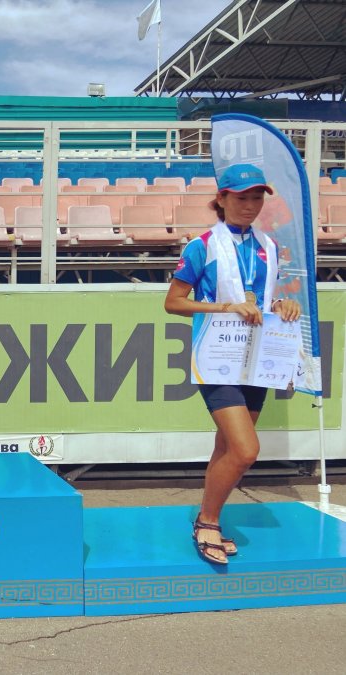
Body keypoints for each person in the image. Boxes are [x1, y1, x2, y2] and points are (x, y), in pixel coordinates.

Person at [164, 163, 301, 564]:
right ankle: (206, 521)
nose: (251, 205)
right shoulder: (202, 246)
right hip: (216, 358)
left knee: (226, 448)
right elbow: (173, 303)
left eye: (257, 197)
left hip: (255, 360)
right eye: (242, 197)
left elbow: (269, 300)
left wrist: (284, 306)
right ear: (221, 199)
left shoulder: (269, 246)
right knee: (245, 450)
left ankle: (211, 517)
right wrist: (226, 307)